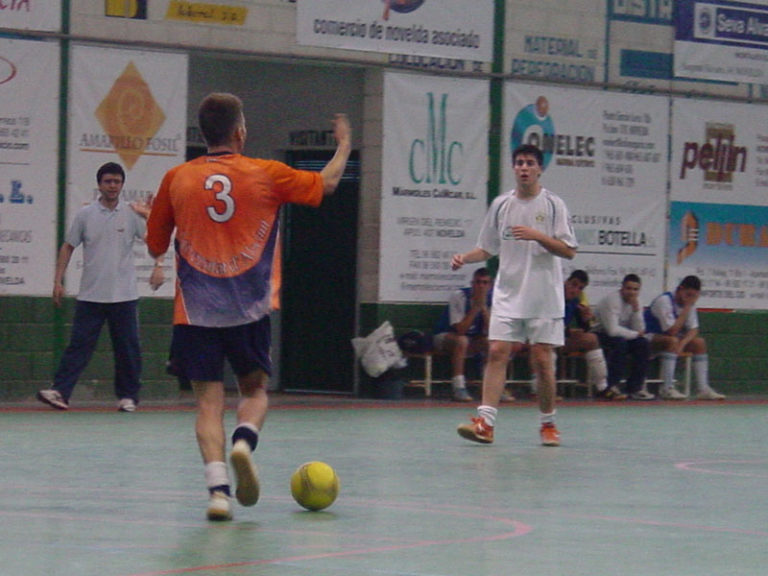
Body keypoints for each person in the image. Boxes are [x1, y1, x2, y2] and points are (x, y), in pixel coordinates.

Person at [145, 92, 352, 521]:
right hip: (250, 310)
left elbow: (155, 245)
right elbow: (327, 184)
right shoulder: (266, 173)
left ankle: (218, 492)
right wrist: (344, 144)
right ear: (240, 131)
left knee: (206, 403)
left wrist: (164, 217)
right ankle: (244, 440)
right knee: (255, 391)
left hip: (196, 313)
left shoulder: (175, 178)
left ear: (203, 133)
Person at [453, 144, 577, 447]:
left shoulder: (553, 206)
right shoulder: (501, 205)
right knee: (496, 351)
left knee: (542, 360)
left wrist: (538, 236)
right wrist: (465, 258)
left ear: (539, 169)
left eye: (530, 163)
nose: (524, 168)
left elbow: (569, 250)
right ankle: (486, 423)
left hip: (544, 297)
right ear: (513, 168)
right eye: (519, 163)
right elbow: (487, 248)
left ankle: (548, 424)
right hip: (508, 293)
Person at [37, 162, 163, 412]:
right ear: (99, 185)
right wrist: (57, 280)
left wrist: (158, 265)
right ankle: (60, 392)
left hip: (124, 296)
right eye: (108, 181)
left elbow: (154, 242)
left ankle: (128, 397)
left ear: (122, 185)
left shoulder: (132, 215)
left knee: (128, 348)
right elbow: (68, 246)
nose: (113, 186)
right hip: (91, 296)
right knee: (78, 346)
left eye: (117, 181)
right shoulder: (85, 215)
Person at [433, 267, 514, 403]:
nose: (481, 286)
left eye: (484, 283)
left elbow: (492, 331)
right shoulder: (459, 296)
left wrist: (483, 309)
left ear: (490, 285)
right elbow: (460, 330)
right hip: (445, 337)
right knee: (462, 341)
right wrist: (476, 307)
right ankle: (458, 387)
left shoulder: (494, 300)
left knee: (494, 344)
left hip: (473, 339)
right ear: (472, 283)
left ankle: (491, 387)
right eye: (478, 282)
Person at [644, 275, 725, 401]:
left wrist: (683, 344)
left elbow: (694, 329)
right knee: (672, 340)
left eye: (694, 296)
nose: (690, 299)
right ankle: (667, 388)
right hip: (649, 338)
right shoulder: (664, 301)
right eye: (688, 295)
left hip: (673, 341)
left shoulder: (689, 302)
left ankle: (703, 389)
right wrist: (687, 307)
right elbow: (672, 331)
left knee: (699, 343)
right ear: (680, 289)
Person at [593, 274, 654, 400]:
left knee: (643, 344)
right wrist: (636, 334)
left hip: (623, 335)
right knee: (620, 343)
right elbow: (612, 330)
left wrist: (636, 311)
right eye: (629, 288)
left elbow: (639, 330)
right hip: (599, 333)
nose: (632, 292)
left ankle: (635, 388)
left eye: (635, 289)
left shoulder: (637, 302)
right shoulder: (612, 300)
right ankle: (611, 386)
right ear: (622, 288)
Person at [560, 269, 619, 400]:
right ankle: (542, 389)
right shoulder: (553, 297)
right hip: (541, 338)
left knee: (592, 339)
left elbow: (584, 329)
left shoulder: (575, 302)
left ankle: (602, 387)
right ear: (566, 282)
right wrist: (569, 331)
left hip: (560, 339)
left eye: (580, 288)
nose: (575, 290)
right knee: (547, 344)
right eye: (573, 285)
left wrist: (585, 319)